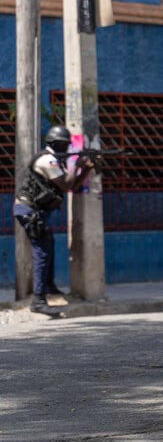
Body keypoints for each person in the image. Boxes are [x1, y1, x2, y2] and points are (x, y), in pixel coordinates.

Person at [12, 125, 96, 315]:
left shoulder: (55, 160)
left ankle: (48, 286)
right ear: (57, 144)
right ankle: (38, 301)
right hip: (29, 210)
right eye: (65, 145)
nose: (67, 149)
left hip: (36, 210)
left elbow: (72, 187)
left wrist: (85, 170)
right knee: (42, 251)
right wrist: (77, 165)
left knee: (47, 245)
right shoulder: (47, 160)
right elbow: (66, 183)